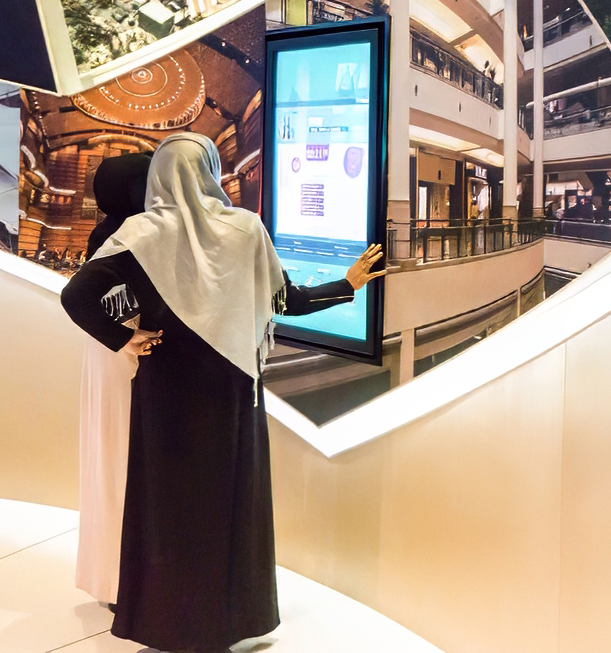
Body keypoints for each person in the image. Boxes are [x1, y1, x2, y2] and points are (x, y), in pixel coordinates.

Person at [61, 132, 386, 652]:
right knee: (228, 508)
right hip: (231, 391)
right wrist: (345, 285)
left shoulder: (140, 233)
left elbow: (77, 295)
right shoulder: (245, 229)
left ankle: (165, 624)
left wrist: (125, 338)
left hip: (164, 390)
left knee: (166, 509)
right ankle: (228, 621)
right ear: (210, 171)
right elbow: (286, 301)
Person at [75, 151, 153, 607]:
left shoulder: (104, 231)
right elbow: (105, 302)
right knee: (123, 463)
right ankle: (125, 581)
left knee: (106, 463)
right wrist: (128, 337)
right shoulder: (128, 236)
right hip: (124, 360)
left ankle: (110, 577)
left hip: (104, 356)